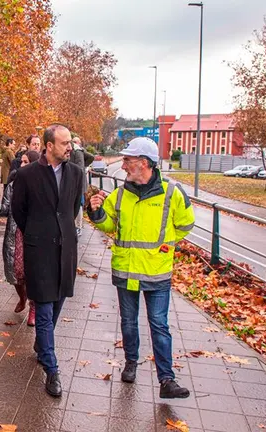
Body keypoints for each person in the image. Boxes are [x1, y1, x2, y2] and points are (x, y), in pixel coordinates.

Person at [87, 137, 194, 399]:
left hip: (156, 272)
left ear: (144, 163)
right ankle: (131, 363)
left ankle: (167, 380)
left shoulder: (172, 193)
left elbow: (185, 225)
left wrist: (164, 246)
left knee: (159, 324)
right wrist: (95, 212)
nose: (123, 165)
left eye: (127, 160)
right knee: (128, 322)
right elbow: (108, 225)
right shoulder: (120, 193)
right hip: (126, 269)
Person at [12, 124, 83, 398]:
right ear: (49, 145)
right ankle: (51, 369)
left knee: (56, 306)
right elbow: (19, 211)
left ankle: (42, 346)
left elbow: (73, 208)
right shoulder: (27, 174)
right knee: (42, 309)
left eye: (70, 143)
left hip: (66, 251)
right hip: (38, 250)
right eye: (64, 143)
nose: (69, 148)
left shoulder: (76, 173)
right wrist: (36, 233)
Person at [0, 150, 39, 317]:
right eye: (21, 161)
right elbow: (5, 207)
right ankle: (22, 297)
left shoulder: (41, 184)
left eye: (26, 161)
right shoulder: (13, 183)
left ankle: (33, 307)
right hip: (15, 233)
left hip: (33, 234)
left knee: (32, 271)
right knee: (15, 270)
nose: (22, 165)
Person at [69, 136, 95, 237]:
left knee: (79, 204)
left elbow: (79, 169)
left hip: (77, 183)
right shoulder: (75, 151)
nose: (74, 143)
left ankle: (78, 227)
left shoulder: (78, 152)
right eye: (73, 141)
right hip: (75, 183)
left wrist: (84, 166)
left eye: (76, 142)